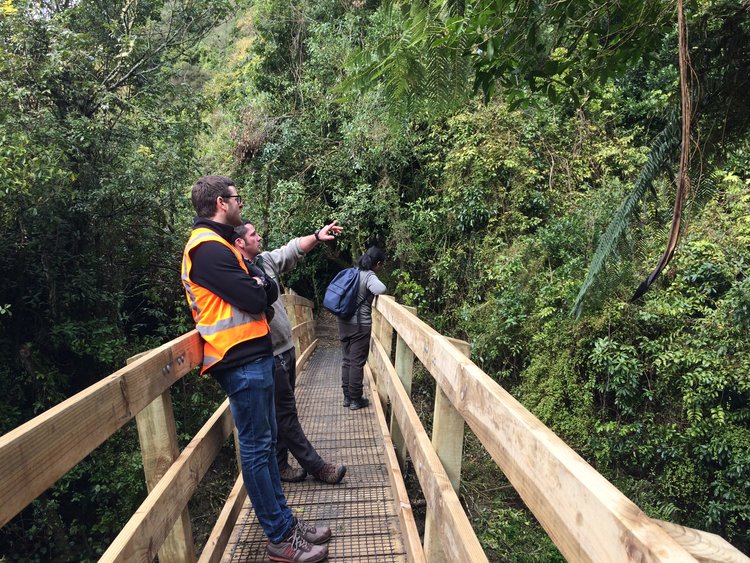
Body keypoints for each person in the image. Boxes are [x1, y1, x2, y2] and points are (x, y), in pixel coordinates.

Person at [181, 175, 329, 563]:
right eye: (236, 198)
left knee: (264, 447)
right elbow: (254, 295)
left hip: (252, 356)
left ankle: (286, 525)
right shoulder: (207, 248)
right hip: (238, 360)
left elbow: (261, 289)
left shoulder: (222, 245)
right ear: (219, 203)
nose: (240, 204)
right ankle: (281, 538)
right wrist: (261, 286)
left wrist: (261, 285)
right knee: (258, 450)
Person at [232, 219, 347, 484]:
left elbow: (292, 249)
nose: (259, 237)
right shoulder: (235, 273)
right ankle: (318, 467)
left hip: (286, 348)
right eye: (254, 234)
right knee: (285, 415)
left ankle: (281, 466)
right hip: (267, 355)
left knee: (280, 413)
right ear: (240, 242)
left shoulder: (264, 262)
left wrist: (317, 236)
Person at [337, 247, 387, 410]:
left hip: (343, 322)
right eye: (381, 265)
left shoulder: (352, 272)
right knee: (357, 362)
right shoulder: (369, 275)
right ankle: (355, 399)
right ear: (377, 263)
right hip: (360, 325)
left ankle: (346, 396)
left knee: (347, 359)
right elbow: (381, 289)